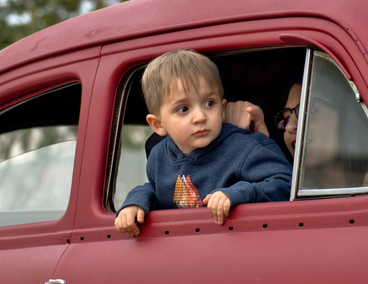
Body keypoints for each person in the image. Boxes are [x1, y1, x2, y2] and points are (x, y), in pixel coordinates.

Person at [115, 49, 292, 236]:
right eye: (183, 108)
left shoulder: (247, 147)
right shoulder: (158, 157)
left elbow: (286, 184)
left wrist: (239, 193)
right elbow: (157, 189)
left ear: (222, 108)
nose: (200, 117)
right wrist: (135, 203)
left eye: (209, 103)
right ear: (158, 124)